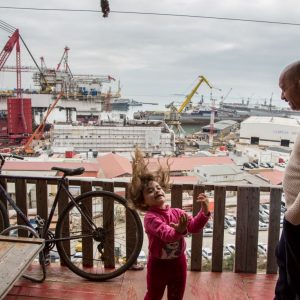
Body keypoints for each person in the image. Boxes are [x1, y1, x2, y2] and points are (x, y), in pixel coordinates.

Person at [128, 148, 210, 300]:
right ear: (143, 201)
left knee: (176, 296)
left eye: (158, 188)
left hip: (179, 264)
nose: (157, 191)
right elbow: (166, 235)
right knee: (154, 295)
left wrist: (204, 212)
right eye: (150, 191)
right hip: (157, 266)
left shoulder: (177, 213)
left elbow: (193, 227)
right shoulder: (150, 218)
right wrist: (178, 230)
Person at [275, 60, 300, 299]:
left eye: (284, 87)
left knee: (296, 284)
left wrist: (293, 217)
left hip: (298, 221)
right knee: (286, 273)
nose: (282, 96)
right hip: (295, 219)